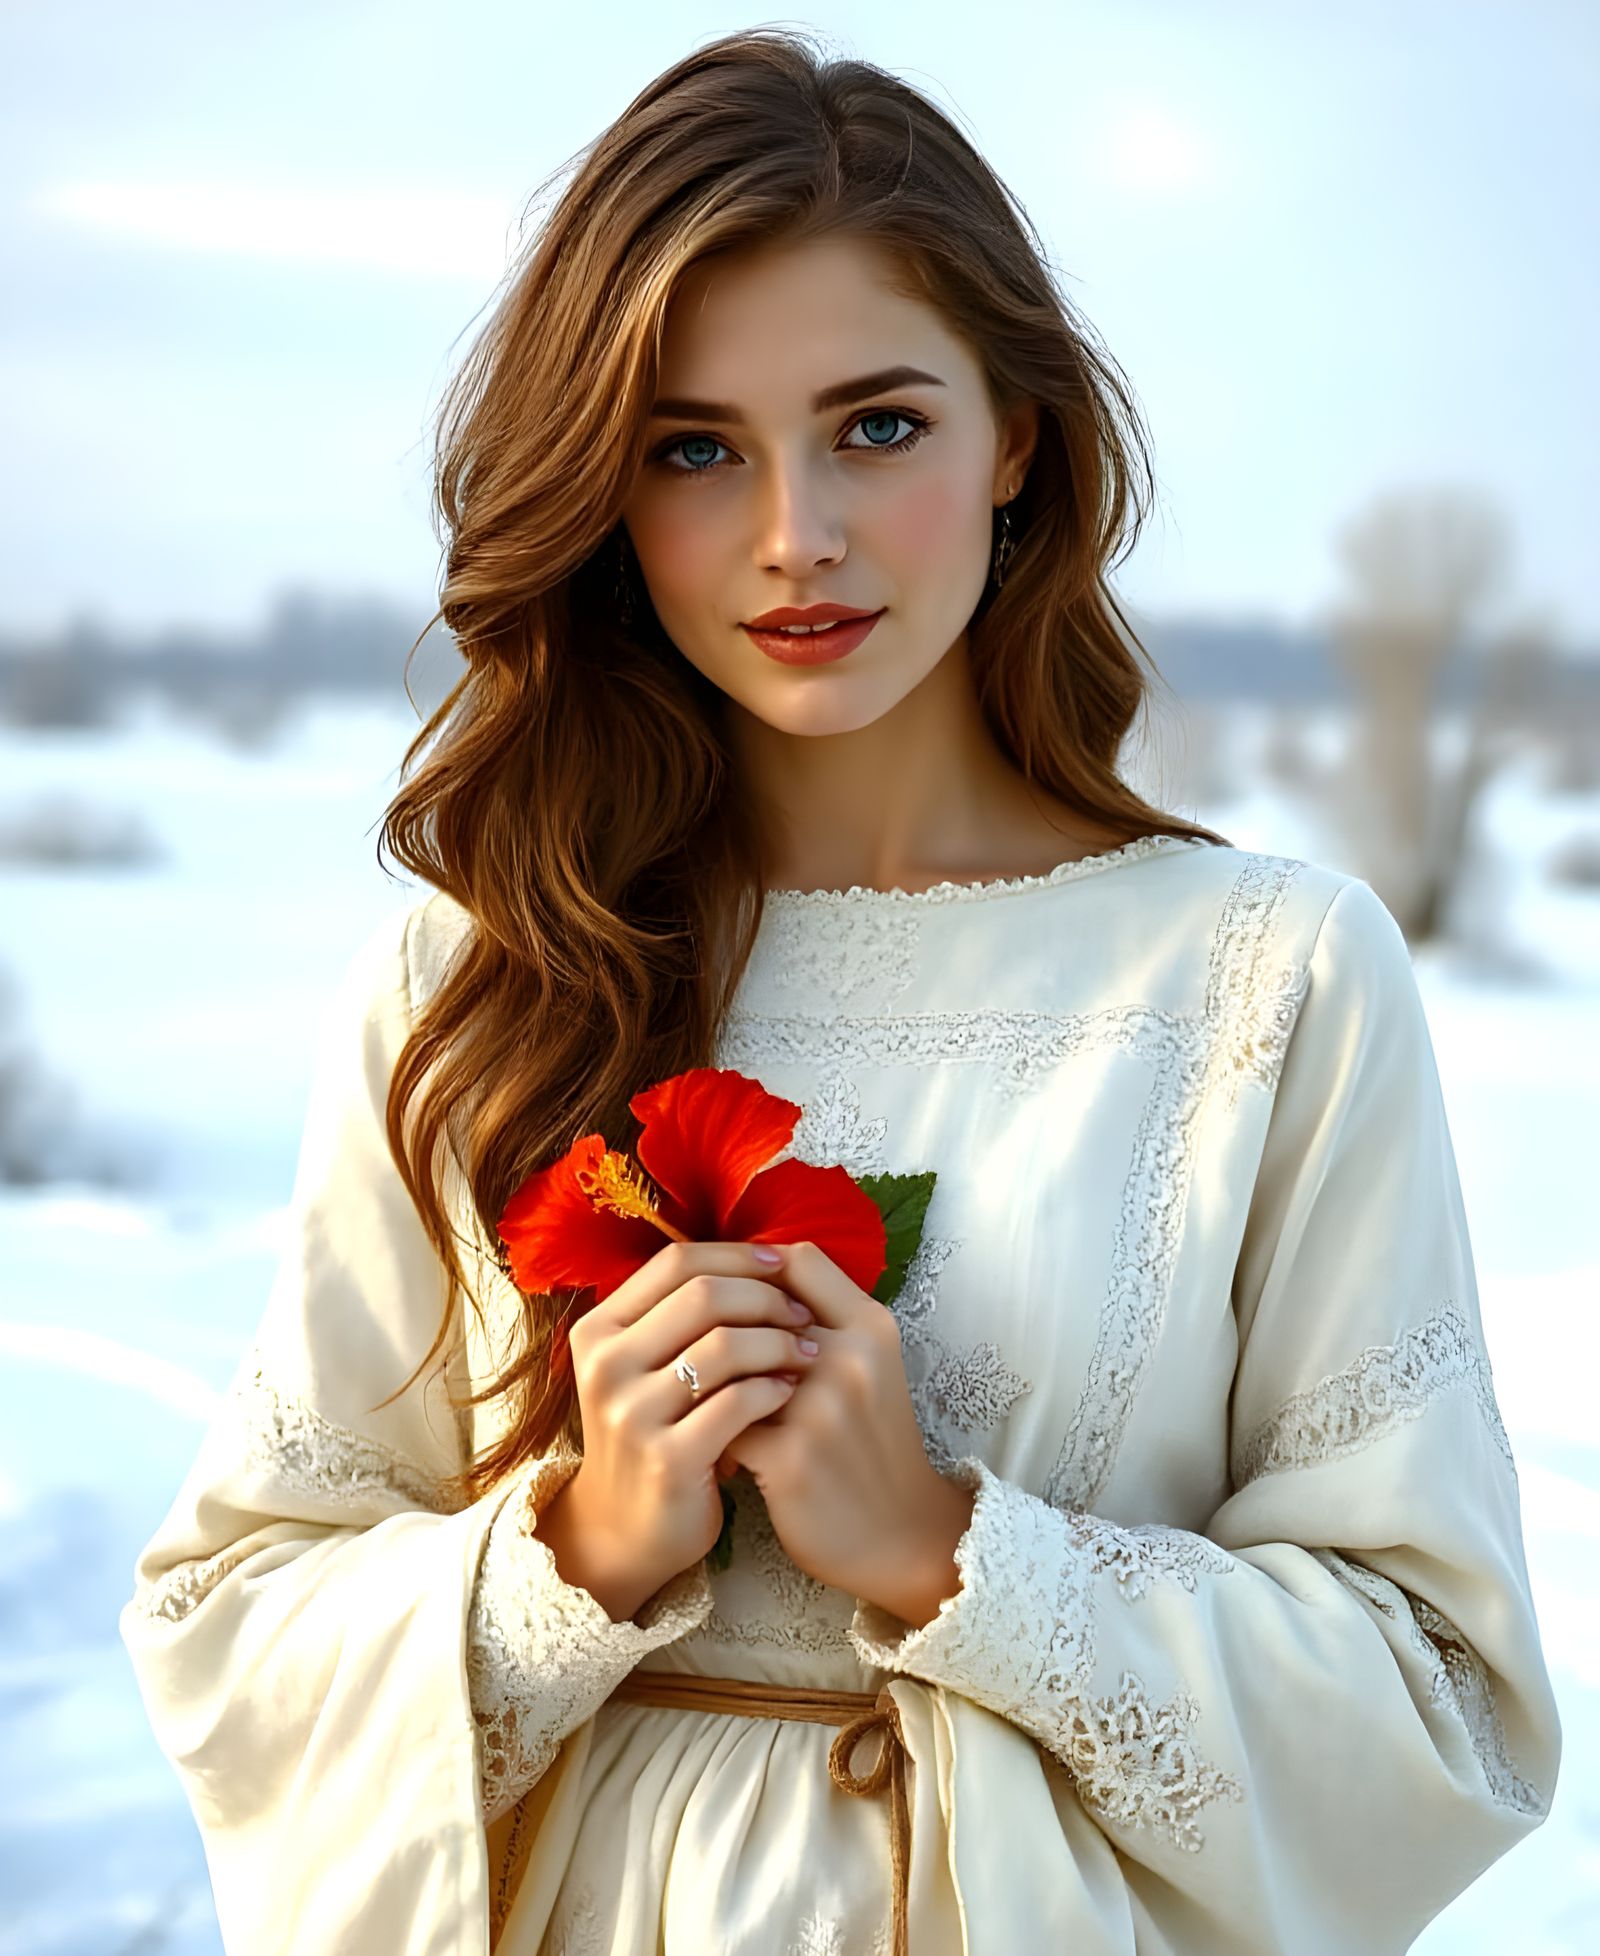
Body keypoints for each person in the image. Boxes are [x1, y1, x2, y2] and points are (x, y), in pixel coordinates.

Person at [118, 25, 1561, 1956]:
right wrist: (581, 1546)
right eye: (695, 450)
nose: (795, 530)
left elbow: (1440, 1713)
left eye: (877, 425)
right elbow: (229, 1642)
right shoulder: (480, 972)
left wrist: (954, 1553)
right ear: (607, 502)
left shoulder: (1264, 981)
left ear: (1018, 437)